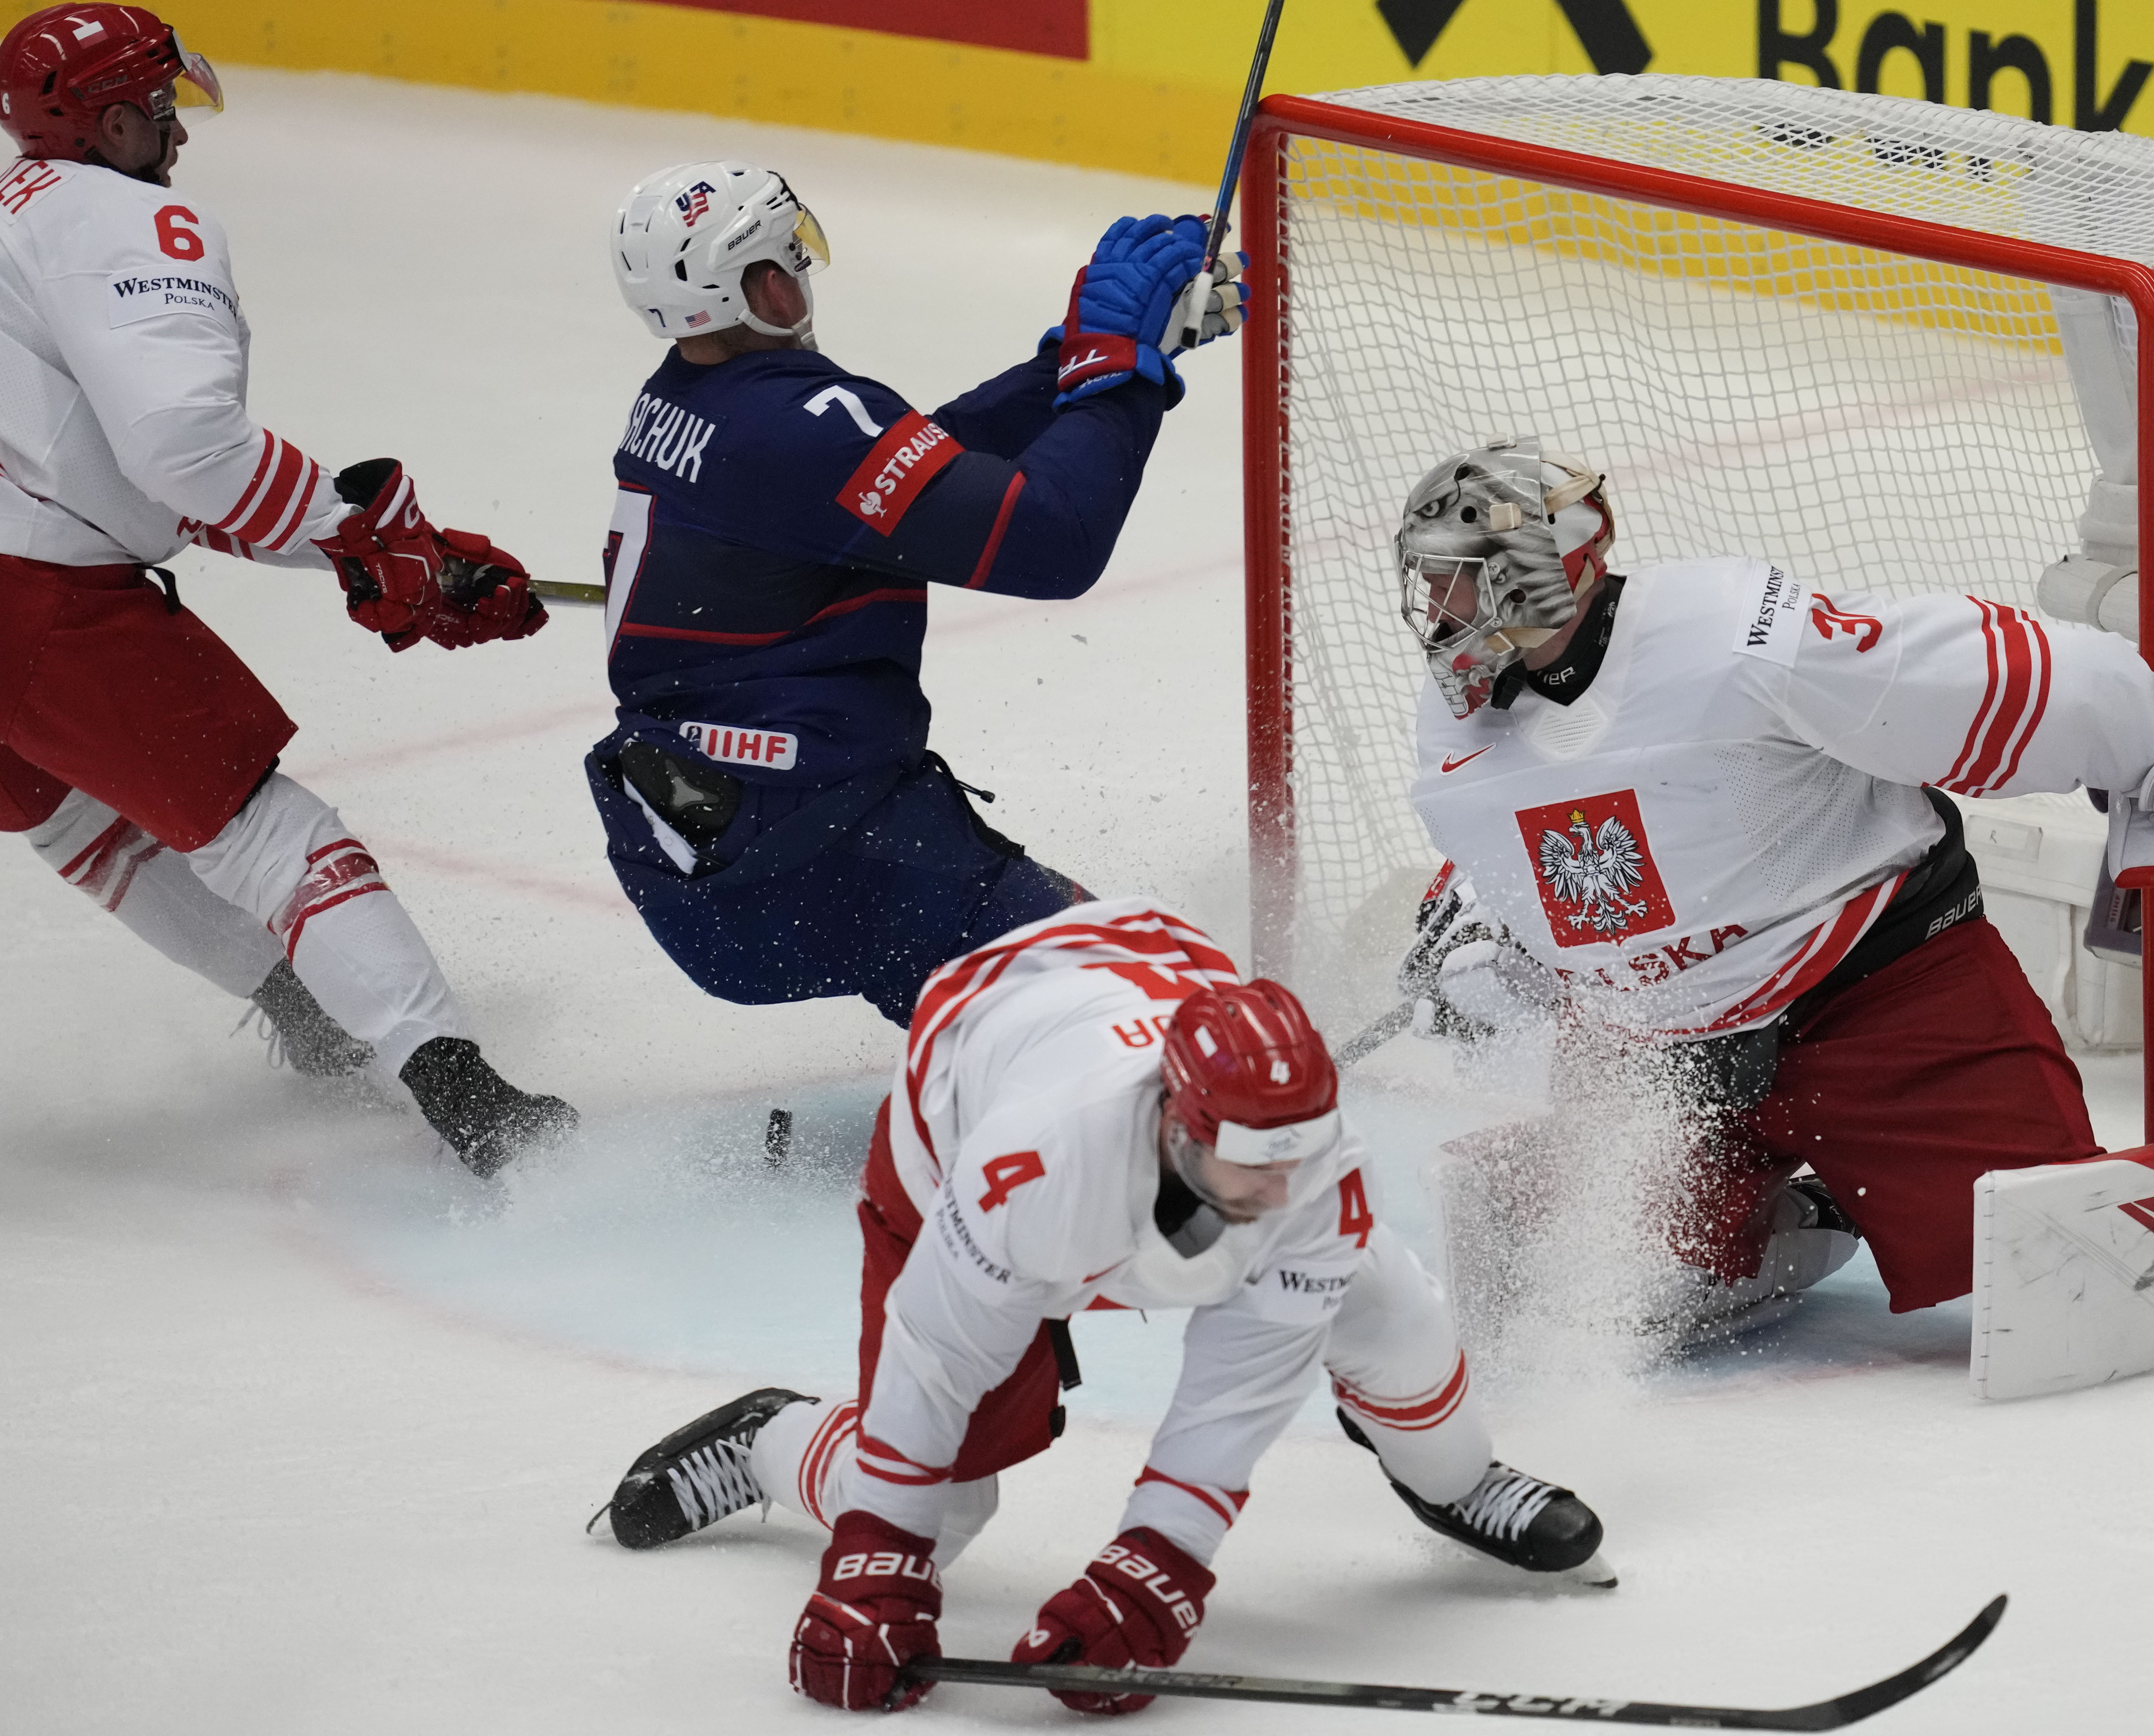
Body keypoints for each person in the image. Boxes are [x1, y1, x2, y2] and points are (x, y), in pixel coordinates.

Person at [1387, 439, 2154, 1345]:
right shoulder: (1454, 734)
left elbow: (1982, 674)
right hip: (1654, 1051)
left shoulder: (1731, 636)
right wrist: (1496, 936)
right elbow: (1545, 862)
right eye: (1428, 586)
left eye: (1456, 586)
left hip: (1877, 987)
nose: (1436, 615)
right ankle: (1779, 1206)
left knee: (2064, 1273)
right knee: (1586, 1297)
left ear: (1540, 575)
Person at [594, 899, 1610, 1715]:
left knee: (1394, 1322)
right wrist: (878, 1557)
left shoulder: (1308, 1168)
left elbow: (1241, 1385)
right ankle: (779, 1437)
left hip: (1112, 976)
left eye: (1294, 1158)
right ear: (1176, 1123)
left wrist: (1156, 1564)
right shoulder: (1031, 1168)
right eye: (1251, 1163)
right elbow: (940, 1352)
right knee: (939, 1508)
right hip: (956, 1112)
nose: (1276, 1193)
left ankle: (1455, 1475)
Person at [0, 4, 574, 1175]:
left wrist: (371, 543)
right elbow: (183, 452)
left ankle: (313, 1015)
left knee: (79, 816)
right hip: (38, 603)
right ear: (109, 123)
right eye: (159, 110)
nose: (177, 135)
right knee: (277, 839)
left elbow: (111, 465)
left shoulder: (18, 213)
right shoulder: (124, 222)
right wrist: (378, 544)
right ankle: (466, 1097)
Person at [589, 161, 1242, 1027]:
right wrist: (1119, 371)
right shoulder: (791, 426)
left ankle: (986, 1084)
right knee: (1166, 1018)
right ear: (762, 288)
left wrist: (1077, 363)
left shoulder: (693, 399)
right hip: (824, 855)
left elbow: (918, 478)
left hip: (707, 849)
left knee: (1022, 1023)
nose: (803, 277)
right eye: (792, 260)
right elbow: (1051, 542)